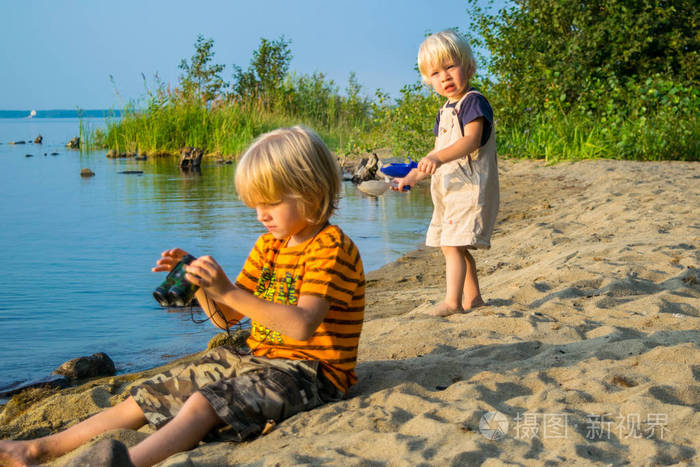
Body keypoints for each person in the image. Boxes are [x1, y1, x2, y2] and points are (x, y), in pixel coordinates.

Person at [0, 126, 365, 467]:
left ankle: (131, 462)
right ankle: (36, 449)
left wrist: (227, 290)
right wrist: (202, 287)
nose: (260, 215)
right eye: (254, 205)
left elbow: (301, 326)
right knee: (147, 395)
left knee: (202, 404)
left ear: (311, 190)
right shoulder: (270, 245)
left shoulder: (330, 248)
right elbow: (226, 318)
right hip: (258, 358)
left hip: (311, 374)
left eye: (269, 203)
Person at [393, 30, 499, 317]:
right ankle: (473, 298)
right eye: (435, 72)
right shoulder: (445, 111)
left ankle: (453, 302)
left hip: (470, 187)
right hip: (449, 190)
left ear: (469, 67)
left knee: (452, 245)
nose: (445, 77)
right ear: (429, 80)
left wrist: (435, 156)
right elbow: (437, 156)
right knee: (452, 246)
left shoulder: (473, 102)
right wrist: (411, 177)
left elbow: (471, 141)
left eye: (451, 67)